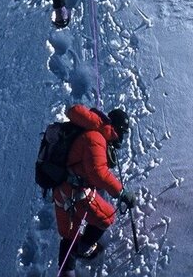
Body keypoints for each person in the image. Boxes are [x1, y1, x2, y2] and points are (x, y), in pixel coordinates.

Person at [52, 104, 135, 271]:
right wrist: (122, 193)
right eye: (123, 133)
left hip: (61, 190)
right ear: (117, 128)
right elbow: (99, 174)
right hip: (76, 191)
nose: (123, 138)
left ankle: (69, 265)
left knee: (68, 237)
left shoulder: (90, 131)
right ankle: (83, 249)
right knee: (106, 218)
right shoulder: (96, 137)